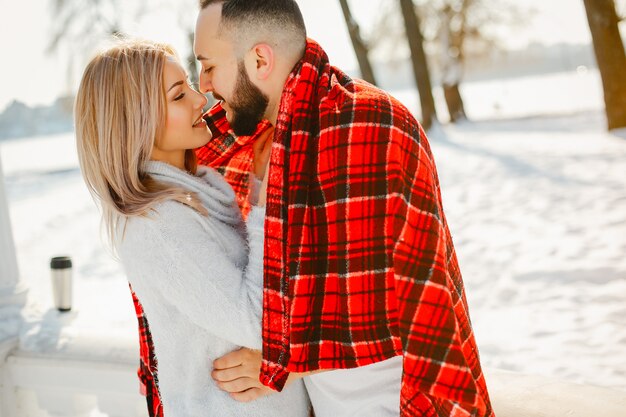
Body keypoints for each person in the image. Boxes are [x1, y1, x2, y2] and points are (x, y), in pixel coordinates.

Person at [74, 39, 310, 417]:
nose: (201, 100)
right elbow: (256, 321)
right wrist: (265, 197)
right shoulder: (158, 226)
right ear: (137, 118)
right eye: (179, 95)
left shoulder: (196, 196)